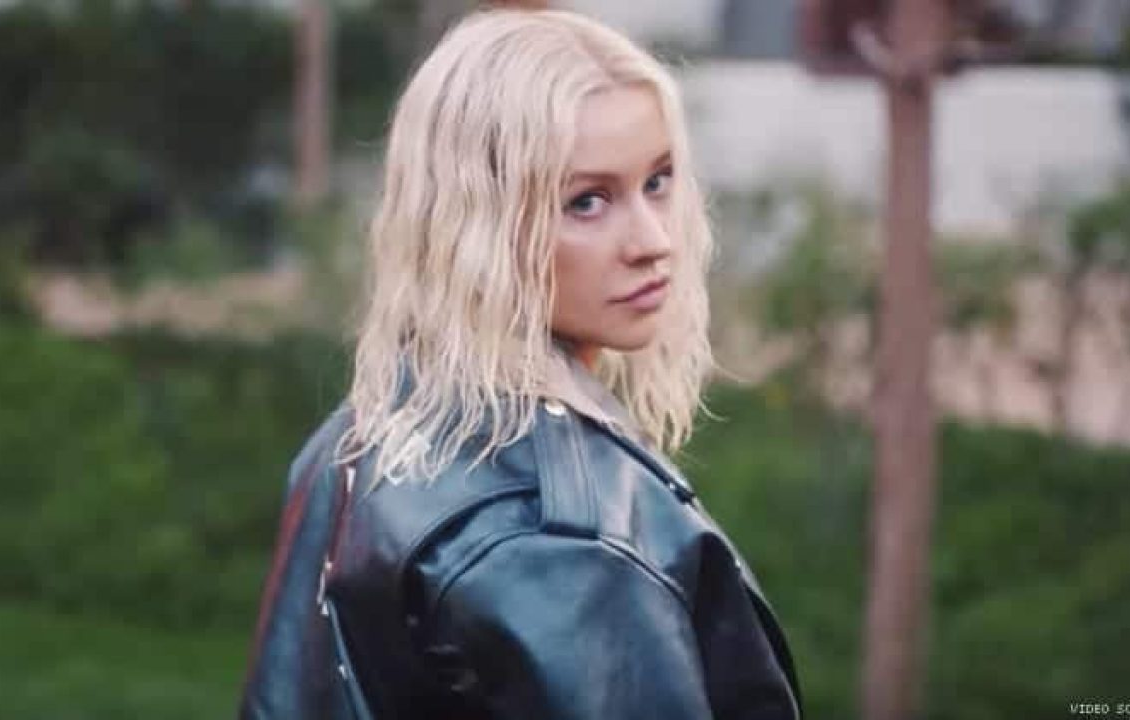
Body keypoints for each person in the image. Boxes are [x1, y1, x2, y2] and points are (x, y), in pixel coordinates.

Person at [239, 8, 802, 720]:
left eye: (658, 181)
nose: (653, 240)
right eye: (587, 201)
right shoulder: (561, 540)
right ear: (481, 224)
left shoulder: (365, 435)